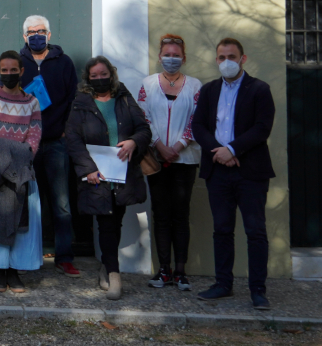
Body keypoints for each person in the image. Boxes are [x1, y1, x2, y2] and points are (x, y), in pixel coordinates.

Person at [192, 38, 275, 310]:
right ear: (216, 60)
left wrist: (232, 149)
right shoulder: (209, 90)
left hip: (251, 172)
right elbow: (199, 126)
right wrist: (219, 151)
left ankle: (258, 290)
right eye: (221, 57)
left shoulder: (260, 89)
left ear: (243, 58)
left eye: (231, 56)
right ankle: (223, 284)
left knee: (255, 231)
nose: (226, 61)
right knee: (222, 230)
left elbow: (262, 128)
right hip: (218, 171)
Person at [65, 56, 151, 301]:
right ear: (88, 78)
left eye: (104, 74)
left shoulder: (124, 97)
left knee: (116, 221)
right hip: (96, 175)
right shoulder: (80, 103)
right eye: (95, 76)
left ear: (111, 75)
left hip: (123, 174)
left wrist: (135, 141)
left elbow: (144, 128)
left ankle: (105, 265)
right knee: (105, 222)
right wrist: (87, 169)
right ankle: (114, 275)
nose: (100, 79)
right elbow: (72, 139)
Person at [11, 15, 81, 278]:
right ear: (24, 36)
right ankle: (26, 255)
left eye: (41, 31)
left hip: (55, 143)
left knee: (61, 203)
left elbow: (75, 98)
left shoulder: (63, 63)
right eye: (31, 31)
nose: (36, 35)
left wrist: (66, 129)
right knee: (25, 201)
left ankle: (64, 257)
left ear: (49, 35)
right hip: (25, 145)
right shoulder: (17, 63)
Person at [0, 50, 44, 293]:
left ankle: (14, 271)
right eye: (5, 70)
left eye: (14, 70)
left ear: (22, 71)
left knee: (21, 223)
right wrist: (4, 162)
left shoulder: (32, 102)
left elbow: (34, 138)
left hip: (21, 174)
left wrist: (15, 166)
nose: (9, 74)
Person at [137, 34, 202, 291]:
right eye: (167, 54)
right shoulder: (148, 84)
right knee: (161, 214)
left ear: (183, 58)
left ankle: (181, 271)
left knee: (181, 214)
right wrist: (159, 145)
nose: (171, 59)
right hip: (156, 159)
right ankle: (163, 270)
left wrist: (179, 145)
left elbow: (198, 119)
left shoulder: (196, 86)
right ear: (159, 56)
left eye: (176, 55)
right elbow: (142, 116)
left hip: (185, 159)